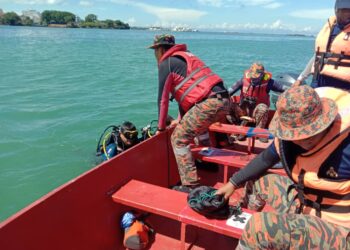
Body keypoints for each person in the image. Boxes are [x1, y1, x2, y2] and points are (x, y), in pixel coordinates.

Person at [216, 85, 350, 249]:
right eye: (297, 135)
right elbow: (266, 159)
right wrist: (233, 182)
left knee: (260, 228)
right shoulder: (289, 139)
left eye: (310, 134)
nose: (302, 140)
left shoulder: (346, 147)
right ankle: (243, 230)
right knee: (259, 182)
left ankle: (254, 236)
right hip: (306, 204)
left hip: (340, 228)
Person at [148, 34, 231, 192]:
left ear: (160, 49)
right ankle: (210, 165)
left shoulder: (167, 63)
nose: (154, 55)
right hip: (224, 101)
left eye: (155, 50)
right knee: (201, 129)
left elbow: (162, 99)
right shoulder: (186, 58)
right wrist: (180, 120)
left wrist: (160, 128)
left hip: (209, 104)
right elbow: (190, 95)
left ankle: (190, 185)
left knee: (178, 139)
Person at [294, 0, 350, 89]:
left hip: (343, 85)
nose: (348, 13)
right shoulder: (329, 28)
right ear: (336, 10)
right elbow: (317, 57)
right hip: (318, 81)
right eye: (345, 10)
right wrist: (300, 78)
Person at [228, 62, 287, 143]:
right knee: (228, 104)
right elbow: (229, 91)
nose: (253, 79)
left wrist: (295, 90)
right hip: (243, 112)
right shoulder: (243, 80)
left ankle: (259, 131)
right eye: (252, 77)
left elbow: (283, 88)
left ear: (263, 75)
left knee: (263, 107)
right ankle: (239, 126)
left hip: (257, 113)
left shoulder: (269, 82)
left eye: (256, 77)